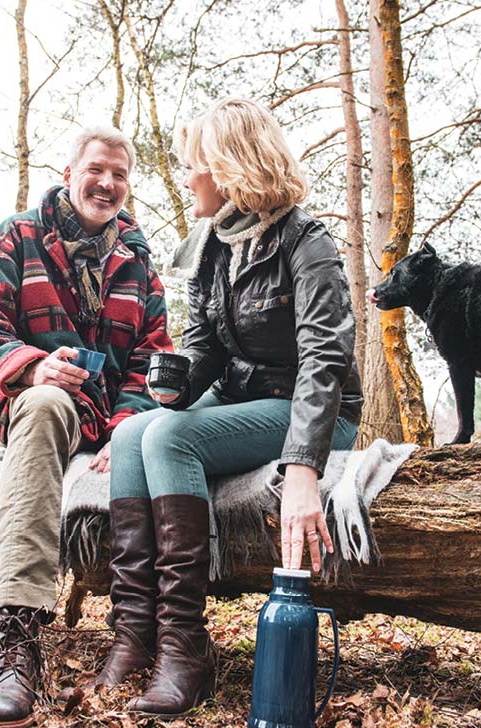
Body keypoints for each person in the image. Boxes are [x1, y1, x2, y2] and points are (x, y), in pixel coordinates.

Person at [95, 98, 363, 716]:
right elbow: (206, 345)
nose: (186, 177)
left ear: (231, 166)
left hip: (311, 411)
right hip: (244, 396)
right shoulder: (215, 243)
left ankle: (187, 646)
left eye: (195, 165)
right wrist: (175, 391)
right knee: (138, 431)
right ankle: (137, 633)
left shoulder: (306, 242)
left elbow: (325, 360)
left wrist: (303, 470)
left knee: (169, 441)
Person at [0, 126, 173, 728]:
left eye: (120, 175)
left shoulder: (139, 261)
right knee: (50, 400)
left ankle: (153, 637)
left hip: (111, 421)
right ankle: (15, 637)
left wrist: (128, 427)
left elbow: (152, 359)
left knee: (144, 430)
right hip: (37, 410)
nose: (107, 184)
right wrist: (31, 366)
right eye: (97, 170)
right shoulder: (16, 237)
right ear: (70, 171)